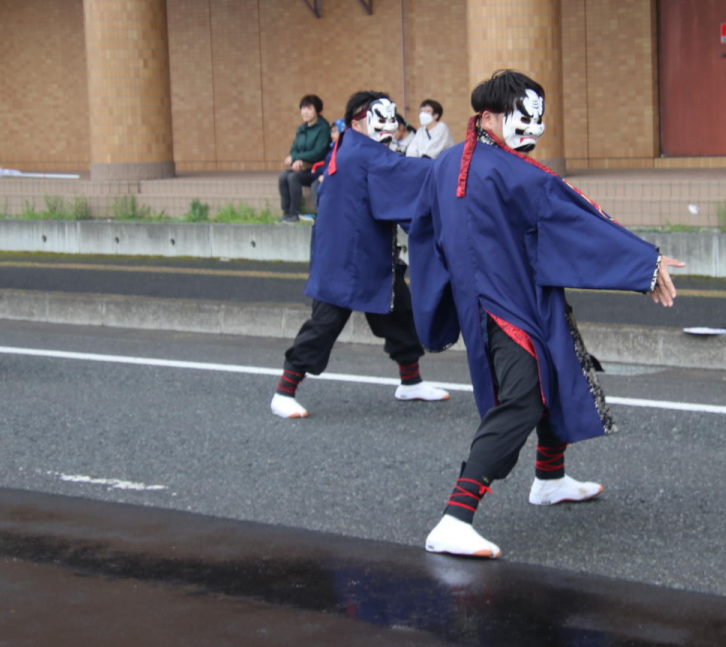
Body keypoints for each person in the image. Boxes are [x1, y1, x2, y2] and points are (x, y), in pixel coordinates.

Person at [408, 70, 684, 559]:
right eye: (523, 118)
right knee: (522, 399)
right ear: (487, 118)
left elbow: (424, 234)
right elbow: (577, 221)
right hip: (507, 306)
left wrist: (440, 298)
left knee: (557, 372)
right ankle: (454, 518)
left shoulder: (448, 163)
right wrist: (644, 262)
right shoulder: (514, 172)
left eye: (538, 118)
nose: (533, 129)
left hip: (497, 299)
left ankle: (550, 478)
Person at [270, 90, 449, 420]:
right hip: (344, 261)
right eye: (380, 119)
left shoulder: (351, 147)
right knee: (324, 326)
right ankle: (284, 392)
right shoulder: (363, 154)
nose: (390, 126)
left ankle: (410, 382)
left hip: (370, 257)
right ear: (356, 123)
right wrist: (455, 166)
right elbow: (408, 173)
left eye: (392, 118)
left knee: (399, 315)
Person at [278, 94, 331, 223]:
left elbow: (318, 152)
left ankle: (295, 213)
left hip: (316, 169)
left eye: (309, 108)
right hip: (302, 167)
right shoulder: (301, 129)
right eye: (303, 108)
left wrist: (296, 158)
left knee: (293, 177)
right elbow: (294, 149)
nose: (305, 112)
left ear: (317, 111)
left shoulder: (323, 128)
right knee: (283, 176)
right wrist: (296, 160)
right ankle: (286, 212)